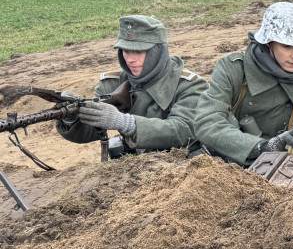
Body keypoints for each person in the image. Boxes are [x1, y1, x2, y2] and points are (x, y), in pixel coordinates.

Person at [193, 1, 293, 167]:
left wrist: (291, 145)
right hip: (222, 162)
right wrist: (262, 147)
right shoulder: (235, 69)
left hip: (280, 170)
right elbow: (207, 124)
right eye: (287, 46)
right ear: (268, 43)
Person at [58, 15, 207, 156]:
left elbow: (183, 131)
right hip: (134, 171)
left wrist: (127, 123)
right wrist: (72, 117)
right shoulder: (112, 84)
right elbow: (90, 131)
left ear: (157, 51)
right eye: (126, 51)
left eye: (138, 52)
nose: (130, 60)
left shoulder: (191, 86)